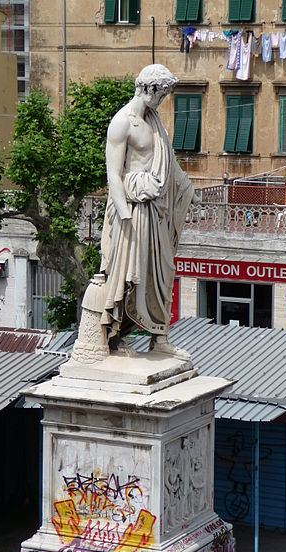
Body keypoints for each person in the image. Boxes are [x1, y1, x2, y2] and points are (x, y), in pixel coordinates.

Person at [97, 64, 197, 360]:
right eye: (162, 94)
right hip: (133, 210)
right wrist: (124, 214)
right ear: (150, 89)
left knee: (163, 271)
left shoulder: (153, 122)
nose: (163, 101)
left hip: (155, 212)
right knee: (131, 274)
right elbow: (113, 174)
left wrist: (188, 191)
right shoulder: (121, 123)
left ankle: (160, 338)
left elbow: (169, 164)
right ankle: (114, 337)